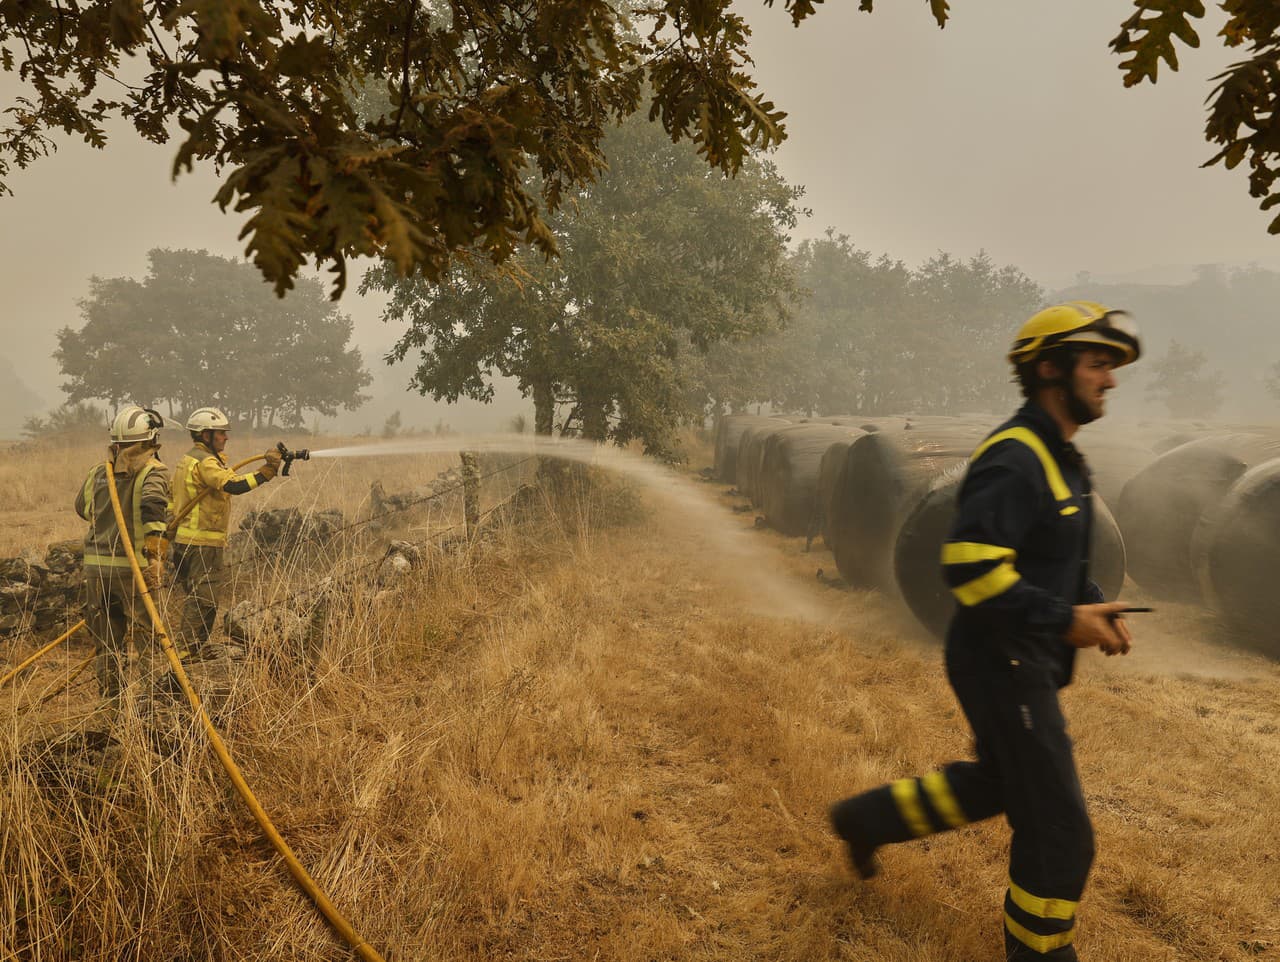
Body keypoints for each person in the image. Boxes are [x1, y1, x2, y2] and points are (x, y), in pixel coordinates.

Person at [829, 301, 1142, 961]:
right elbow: (968, 568)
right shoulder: (1016, 457)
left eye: (1112, 366)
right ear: (1050, 368)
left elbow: (1052, 556)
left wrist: (1089, 601)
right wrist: (1065, 620)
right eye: (1098, 363)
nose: (1110, 380)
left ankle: (864, 820)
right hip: (1000, 662)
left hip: (1018, 658)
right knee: (1060, 835)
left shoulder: (1063, 461)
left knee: (994, 785)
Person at [75, 406, 171, 699]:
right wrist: (155, 558)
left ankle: (111, 703)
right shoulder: (153, 471)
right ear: (151, 438)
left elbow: (83, 509)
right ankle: (153, 704)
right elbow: (154, 509)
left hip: (97, 569)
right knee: (148, 638)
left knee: (107, 642)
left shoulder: (97, 472)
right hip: (134, 569)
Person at [169, 407, 282, 656]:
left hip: (185, 541)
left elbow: (172, 497)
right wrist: (266, 472)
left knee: (198, 597)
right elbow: (234, 484)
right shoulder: (206, 462)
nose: (226, 437)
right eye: (221, 433)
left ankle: (192, 651)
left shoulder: (189, 459)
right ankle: (187, 653)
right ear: (205, 435)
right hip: (202, 543)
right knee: (205, 600)